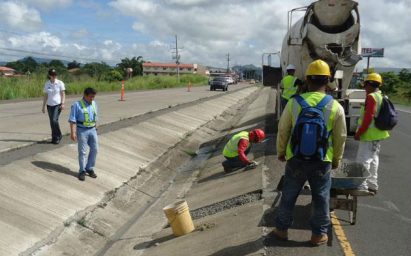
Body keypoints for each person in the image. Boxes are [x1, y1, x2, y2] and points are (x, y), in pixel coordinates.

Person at [274, 60, 347, 246]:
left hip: (296, 158)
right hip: (322, 160)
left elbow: (283, 131)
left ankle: (281, 230)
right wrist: (336, 159)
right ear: (328, 80)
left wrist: (282, 152)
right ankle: (318, 235)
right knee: (321, 197)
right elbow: (341, 137)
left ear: (306, 79)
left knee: (289, 194)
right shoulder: (336, 106)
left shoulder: (293, 103)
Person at [354, 73, 389, 195]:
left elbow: (368, 118)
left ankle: (362, 185)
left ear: (369, 84)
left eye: (365, 85)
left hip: (369, 134)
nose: (364, 88)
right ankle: (373, 185)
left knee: (363, 160)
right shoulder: (381, 96)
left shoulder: (371, 97)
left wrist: (359, 132)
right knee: (374, 159)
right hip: (378, 134)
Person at [69, 87, 99, 181]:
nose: (92, 99)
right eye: (91, 97)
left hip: (92, 130)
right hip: (82, 131)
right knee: (82, 152)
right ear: (85, 95)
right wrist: (73, 132)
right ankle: (82, 171)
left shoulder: (94, 103)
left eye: (93, 97)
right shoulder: (76, 105)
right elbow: (72, 120)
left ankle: (89, 168)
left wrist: (96, 125)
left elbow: (95, 115)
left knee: (95, 149)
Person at [42, 68, 65, 144]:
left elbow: (63, 94)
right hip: (49, 105)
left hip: (57, 105)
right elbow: (45, 95)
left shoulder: (60, 83)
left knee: (54, 120)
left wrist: (62, 103)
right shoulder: (47, 83)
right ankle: (54, 137)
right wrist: (43, 106)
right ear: (49, 75)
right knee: (52, 122)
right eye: (52, 75)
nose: (54, 76)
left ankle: (58, 135)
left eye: (55, 74)